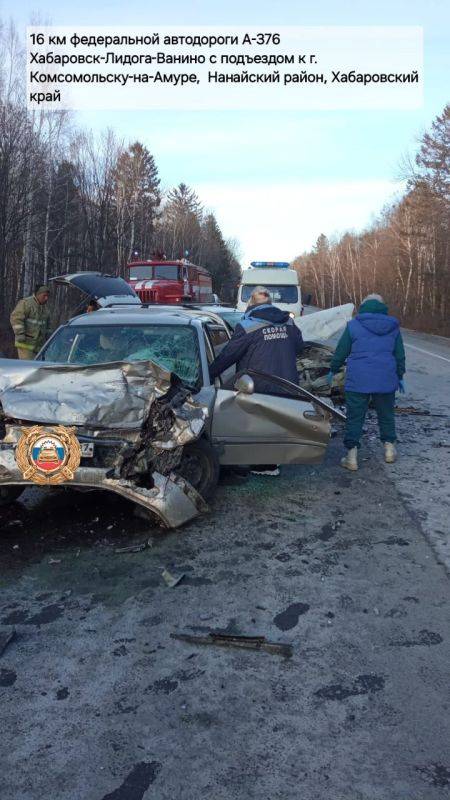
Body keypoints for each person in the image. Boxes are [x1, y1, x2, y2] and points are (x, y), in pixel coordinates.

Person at [209, 286, 304, 476]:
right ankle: (274, 462)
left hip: (259, 384)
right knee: (278, 423)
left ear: (251, 303)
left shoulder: (247, 326)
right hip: (287, 383)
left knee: (260, 425)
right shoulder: (289, 323)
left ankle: (264, 466)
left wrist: (208, 374)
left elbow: (229, 355)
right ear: (270, 303)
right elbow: (299, 347)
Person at [327, 293, 406, 471]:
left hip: (359, 379)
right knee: (386, 414)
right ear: (382, 306)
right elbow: (399, 354)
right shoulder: (393, 326)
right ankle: (389, 450)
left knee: (355, 416)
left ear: (363, 306)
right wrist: (400, 375)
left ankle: (352, 456)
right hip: (386, 377)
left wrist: (333, 369)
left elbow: (342, 350)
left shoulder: (354, 325)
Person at [10, 284, 51, 360]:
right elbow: (16, 318)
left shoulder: (46, 308)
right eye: (44, 296)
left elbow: (48, 325)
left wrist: (49, 338)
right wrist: (20, 334)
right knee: (28, 366)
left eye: (47, 296)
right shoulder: (26, 303)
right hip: (25, 344)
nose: (46, 298)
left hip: (39, 346)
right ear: (38, 294)